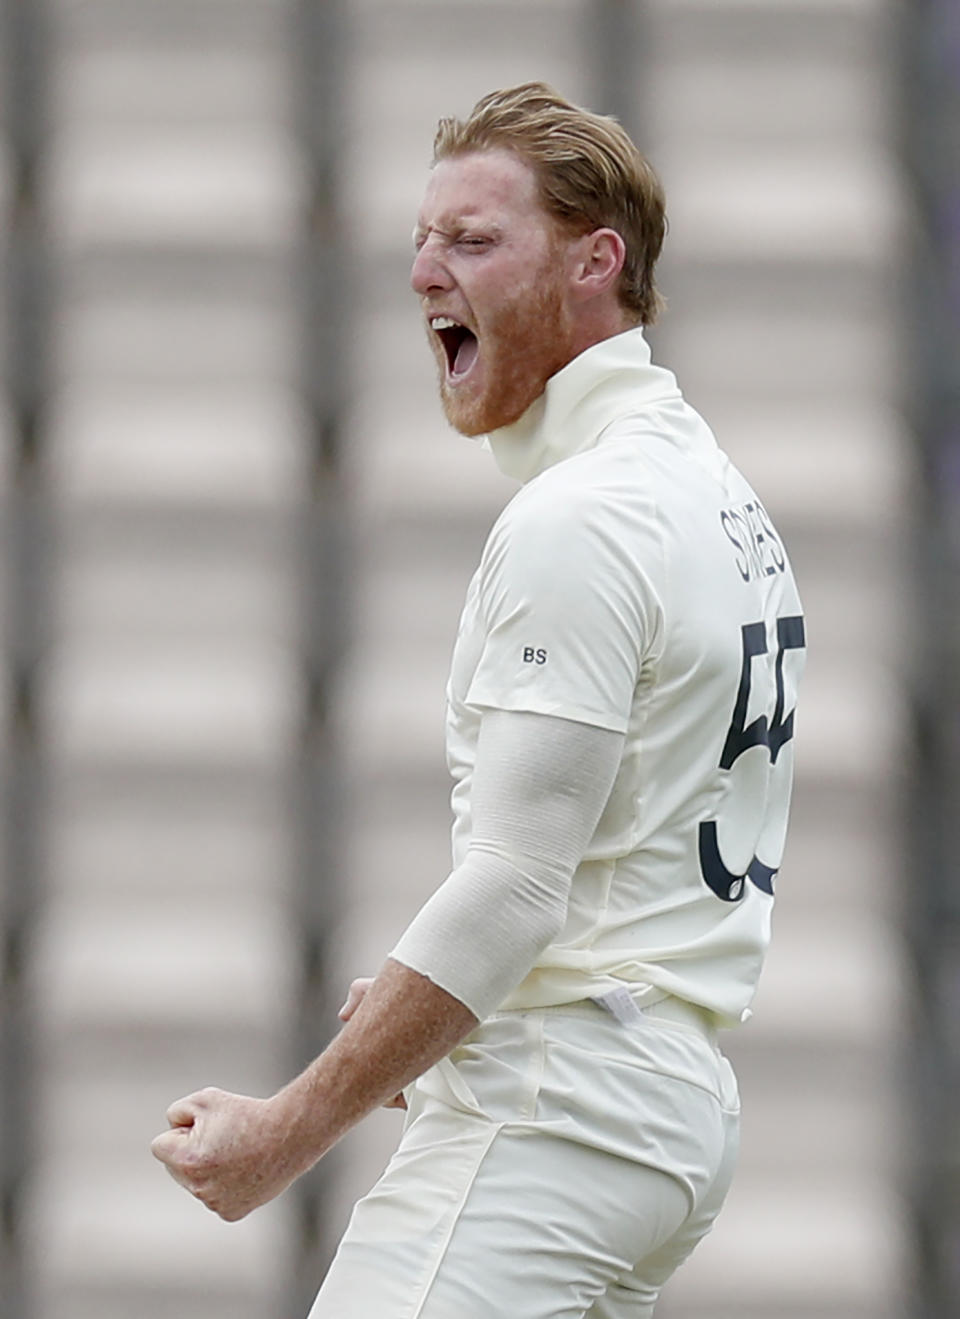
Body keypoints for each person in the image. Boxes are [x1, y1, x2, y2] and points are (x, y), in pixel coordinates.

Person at [152, 82, 805, 1318]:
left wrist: (287, 1127)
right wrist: (423, 1017)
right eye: (420, 239)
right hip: (663, 1110)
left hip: (557, 1116)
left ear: (594, 264)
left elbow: (515, 888)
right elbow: (615, 864)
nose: (421, 274)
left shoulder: (585, 515)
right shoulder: (716, 496)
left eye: (472, 240)